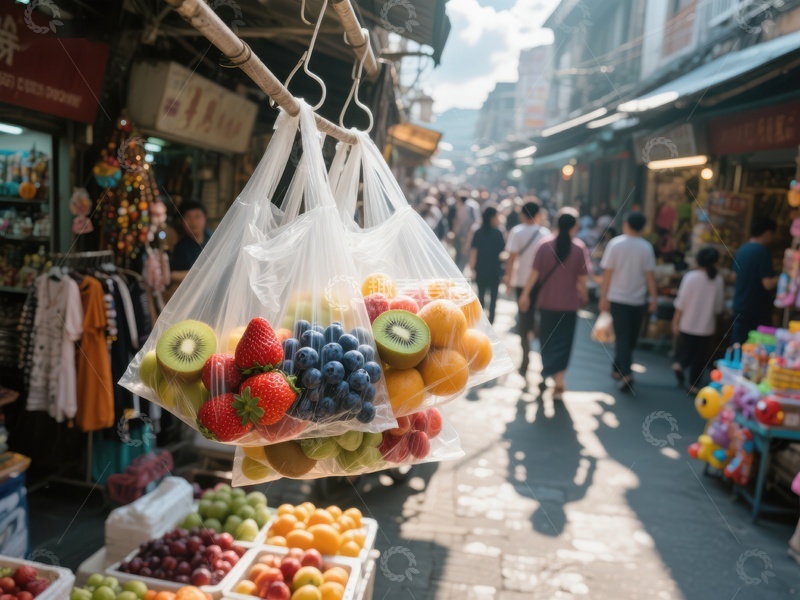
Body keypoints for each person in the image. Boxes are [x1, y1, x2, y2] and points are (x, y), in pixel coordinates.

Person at [519, 208, 590, 399]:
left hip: (547, 303)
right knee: (564, 343)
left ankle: (547, 371)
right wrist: (584, 296)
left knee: (547, 340)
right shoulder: (579, 248)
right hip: (569, 305)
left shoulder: (544, 245)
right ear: (575, 226)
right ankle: (559, 381)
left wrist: (525, 294)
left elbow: (534, 274)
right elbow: (582, 281)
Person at [599, 211, 658, 391]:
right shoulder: (646, 247)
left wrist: (603, 297)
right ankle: (626, 373)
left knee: (624, 337)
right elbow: (650, 276)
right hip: (637, 300)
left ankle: (618, 368)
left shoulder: (615, 244)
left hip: (618, 298)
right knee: (628, 337)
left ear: (626, 224)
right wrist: (653, 297)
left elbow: (607, 274)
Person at [504, 200, 549, 374]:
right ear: (538, 214)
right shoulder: (545, 233)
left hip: (522, 283)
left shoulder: (517, 232)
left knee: (524, 320)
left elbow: (512, 258)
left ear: (522, 215)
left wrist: (508, 280)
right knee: (540, 319)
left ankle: (525, 358)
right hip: (541, 283)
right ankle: (541, 358)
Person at [671, 247, 725, 393]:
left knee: (686, 349)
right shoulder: (717, 280)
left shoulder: (690, 277)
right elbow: (718, 307)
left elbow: (681, 302)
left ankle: (680, 364)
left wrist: (675, 321)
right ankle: (693, 385)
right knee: (700, 357)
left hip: (687, 323)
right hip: (706, 325)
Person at [732, 218, 779, 344]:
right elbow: (768, 284)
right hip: (756, 308)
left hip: (740, 304)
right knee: (755, 347)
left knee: (738, 344)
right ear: (768, 233)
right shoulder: (762, 252)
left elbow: (734, 276)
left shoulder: (742, 250)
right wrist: (785, 276)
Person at [469, 205, 506, 324]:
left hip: (481, 268)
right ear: (492, 217)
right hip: (495, 269)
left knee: (481, 294)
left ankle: (481, 318)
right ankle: (491, 319)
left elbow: (474, 251)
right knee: (494, 295)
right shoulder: (498, 233)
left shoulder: (478, 232)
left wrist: (472, 267)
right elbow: (503, 252)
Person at [170, 200, 212, 285]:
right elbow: (173, 275)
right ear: (182, 221)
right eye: (188, 217)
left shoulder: (213, 239)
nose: (193, 221)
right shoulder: (180, 247)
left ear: (205, 218)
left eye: (197, 216)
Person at [447, 190, 481, 270]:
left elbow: (474, 223)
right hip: (459, 237)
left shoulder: (470, 207)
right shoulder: (459, 207)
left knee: (463, 257)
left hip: (467, 237)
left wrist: (466, 239)